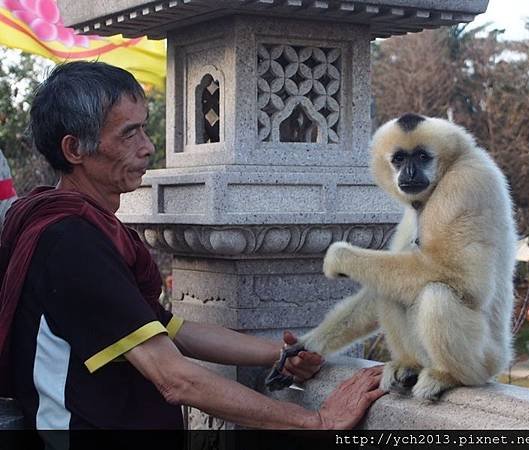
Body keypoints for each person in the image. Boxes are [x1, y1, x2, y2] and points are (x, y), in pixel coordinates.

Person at [0, 61, 384, 430]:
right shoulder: (70, 241)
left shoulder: (78, 227)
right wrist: (315, 421)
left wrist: (283, 353)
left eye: (144, 130)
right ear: (74, 150)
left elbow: (170, 329)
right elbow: (175, 378)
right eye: (128, 134)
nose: (148, 147)